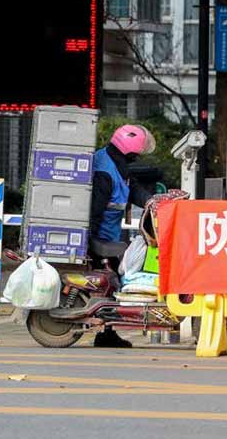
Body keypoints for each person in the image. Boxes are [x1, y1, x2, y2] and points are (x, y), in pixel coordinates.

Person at [89, 124, 157, 347]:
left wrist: (151, 201)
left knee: (112, 286)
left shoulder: (115, 163)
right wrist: (92, 243)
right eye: (136, 152)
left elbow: (132, 187)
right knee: (113, 286)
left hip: (110, 234)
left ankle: (106, 333)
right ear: (129, 149)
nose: (137, 157)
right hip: (102, 237)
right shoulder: (105, 172)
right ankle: (105, 334)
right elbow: (95, 210)